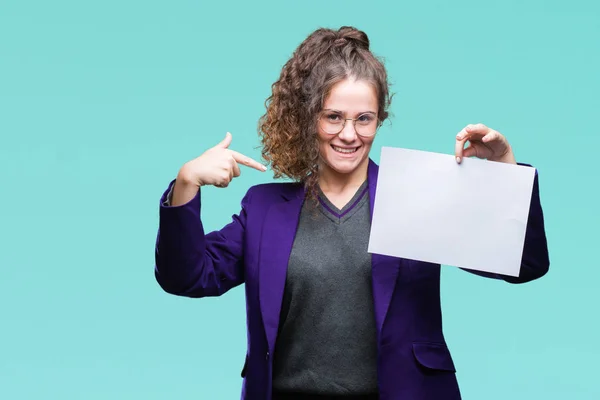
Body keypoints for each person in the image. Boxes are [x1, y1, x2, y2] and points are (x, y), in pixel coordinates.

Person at [154, 26, 549, 400]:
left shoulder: (417, 194)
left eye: (364, 118)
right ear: (309, 117)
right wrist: (187, 182)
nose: (349, 134)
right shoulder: (264, 208)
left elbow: (524, 264)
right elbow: (187, 277)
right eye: (333, 117)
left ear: (380, 119)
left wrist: (505, 177)